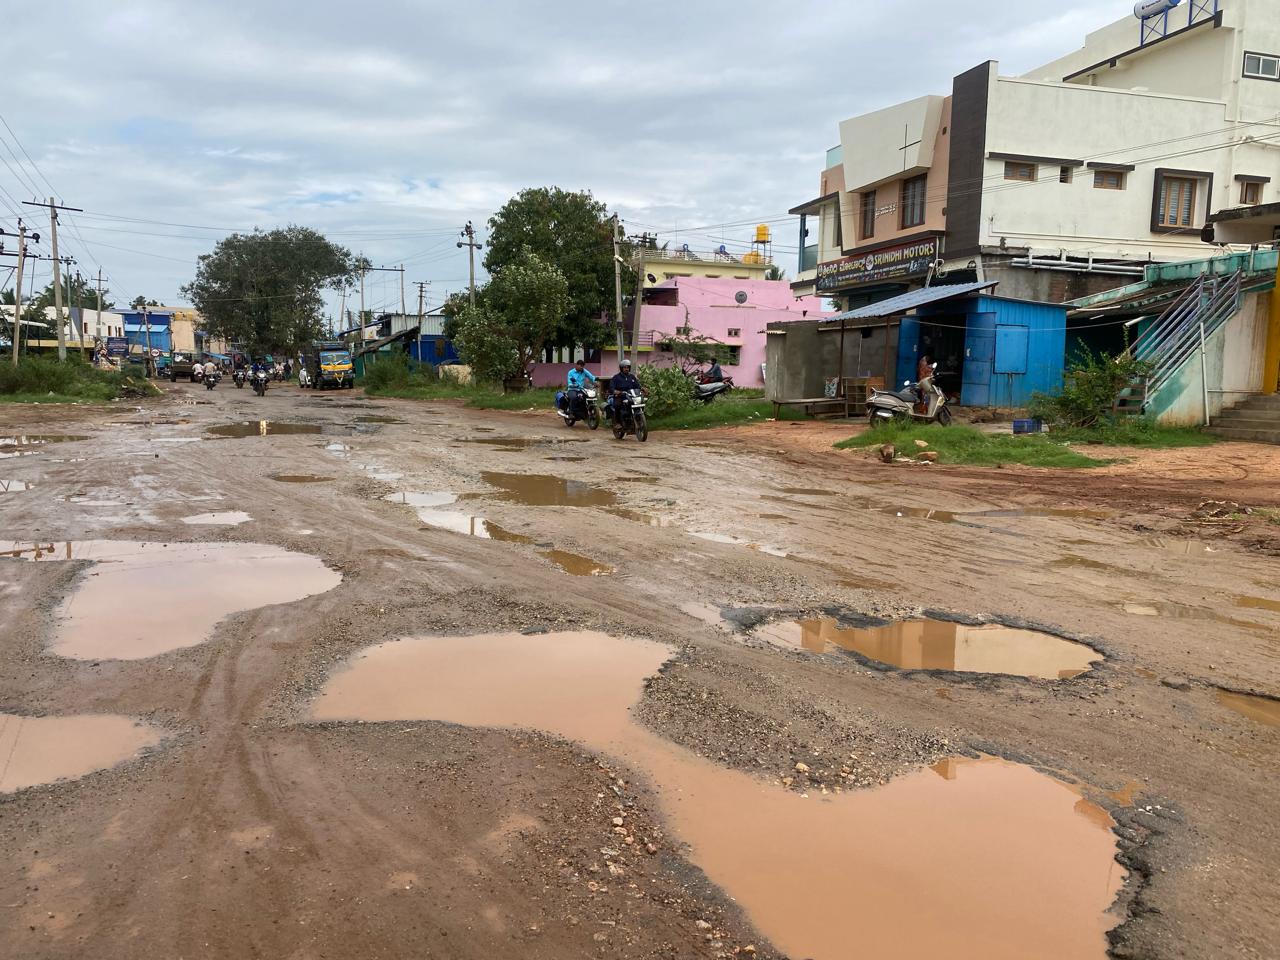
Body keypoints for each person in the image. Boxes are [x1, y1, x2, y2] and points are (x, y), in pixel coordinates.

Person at [608, 358, 644, 425]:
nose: (626, 369)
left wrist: (642, 389)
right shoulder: (616, 377)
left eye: (628, 367)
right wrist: (615, 391)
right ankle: (617, 423)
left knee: (640, 402)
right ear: (621, 368)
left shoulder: (632, 377)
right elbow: (611, 387)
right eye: (624, 367)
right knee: (617, 405)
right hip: (620, 396)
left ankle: (638, 419)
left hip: (631, 396)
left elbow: (637, 386)